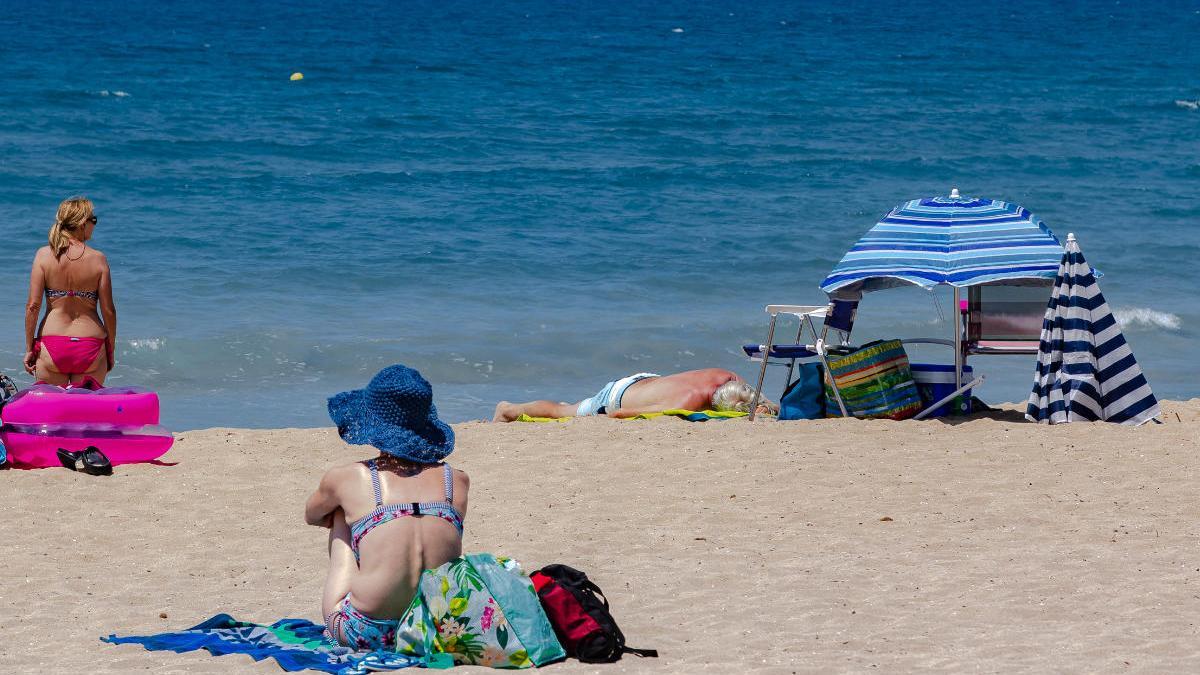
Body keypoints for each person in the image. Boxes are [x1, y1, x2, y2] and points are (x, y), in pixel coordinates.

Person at [305, 365, 469, 651]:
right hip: (439, 631)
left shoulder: (349, 477)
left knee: (342, 512)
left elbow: (313, 515)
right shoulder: (455, 481)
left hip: (367, 631)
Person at [23, 196, 117, 388]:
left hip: (52, 344)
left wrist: (28, 348)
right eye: (94, 220)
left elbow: (33, 306)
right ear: (82, 224)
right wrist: (110, 349)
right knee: (86, 413)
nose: (95, 225)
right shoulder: (98, 259)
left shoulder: (43, 255)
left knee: (50, 413)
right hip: (90, 345)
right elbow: (109, 311)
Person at [492, 368, 779, 422]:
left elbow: (751, 394)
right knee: (561, 411)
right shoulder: (684, 404)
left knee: (569, 406)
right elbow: (618, 414)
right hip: (614, 397)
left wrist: (765, 405)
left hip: (646, 379)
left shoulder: (726, 377)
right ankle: (508, 409)